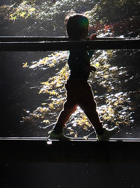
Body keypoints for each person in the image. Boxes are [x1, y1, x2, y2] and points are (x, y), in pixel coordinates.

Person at [47, 13, 117, 141]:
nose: (87, 31)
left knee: (70, 107)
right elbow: (73, 61)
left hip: (75, 81)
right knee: (89, 105)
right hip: (78, 81)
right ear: (79, 31)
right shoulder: (75, 45)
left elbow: (85, 56)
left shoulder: (79, 43)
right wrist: (84, 68)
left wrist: (92, 46)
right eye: (85, 29)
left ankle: (57, 131)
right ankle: (101, 133)